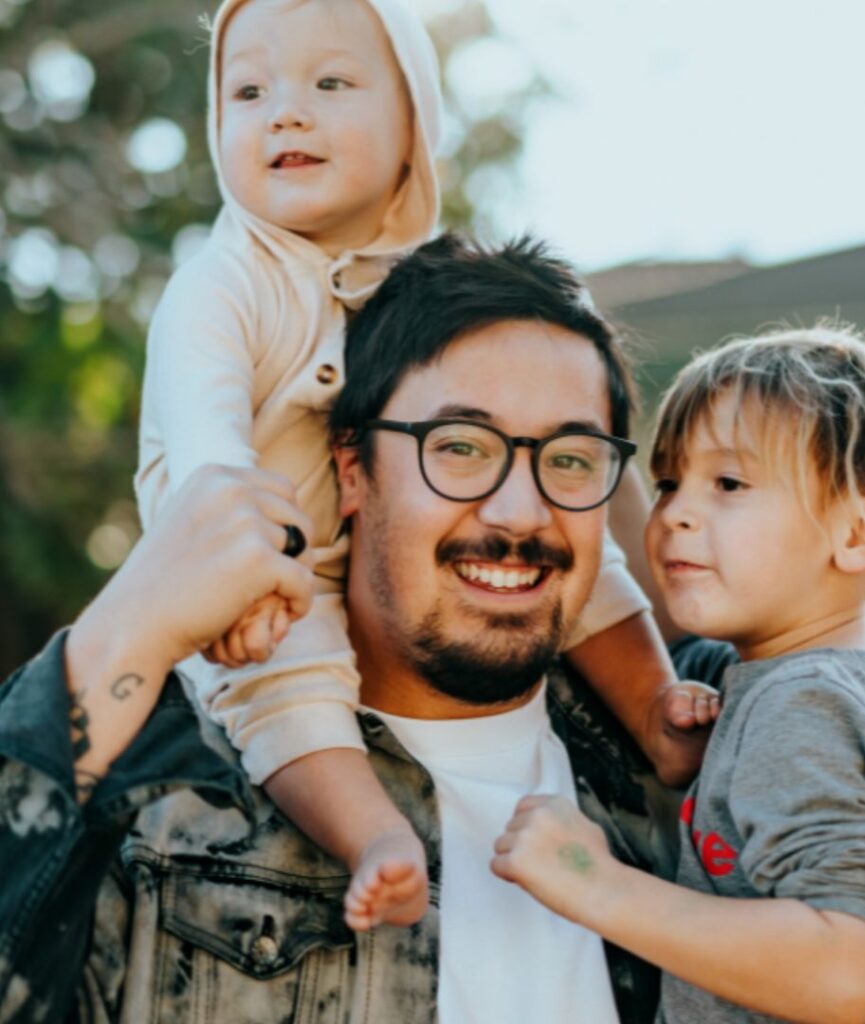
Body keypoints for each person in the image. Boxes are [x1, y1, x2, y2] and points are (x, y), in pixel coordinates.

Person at [0, 234, 715, 1024]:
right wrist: (128, 623)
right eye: (460, 448)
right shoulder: (168, 790)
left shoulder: (713, 762)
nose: (521, 512)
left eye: (572, 459)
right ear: (351, 470)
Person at [133, 0, 686, 932]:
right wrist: (239, 580)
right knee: (286, 687)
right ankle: (376, 838)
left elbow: (571, 469)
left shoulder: (427, 289)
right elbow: (206, 453)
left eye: (331, 84)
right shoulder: (221, 285)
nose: (286, 113)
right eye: (250, 91)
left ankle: (662, 715)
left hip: (359, 556)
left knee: (570, 551)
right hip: (261, 574)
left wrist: (575, 460)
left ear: (412, 136)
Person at [494, 325, 865, 1023]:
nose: (676, 515)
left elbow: (842, 970)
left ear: (860, 532)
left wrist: (592, 883)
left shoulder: (803, 705)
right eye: (668, 482)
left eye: (728, 483)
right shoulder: (796, 689)